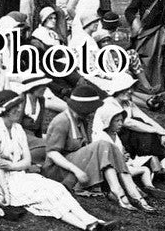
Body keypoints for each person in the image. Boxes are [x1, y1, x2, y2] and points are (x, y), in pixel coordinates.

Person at [0, 90, 118, 231]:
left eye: (20, 106)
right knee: (47, 197)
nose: (19, 110)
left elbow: (26, 161)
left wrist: (13, 166)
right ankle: (91, 225)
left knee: (56, 189)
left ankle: (92, 223)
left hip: (17, 175)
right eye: (14, 107)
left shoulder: (18, 129)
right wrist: (5, 193)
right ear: (4, 110)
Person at [42, 81, 146, 213]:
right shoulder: (62, 121)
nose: (92, 111)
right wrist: (77, 171)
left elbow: (84, 148)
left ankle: (131, 192)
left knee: (108, 145)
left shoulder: (81, 120)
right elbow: (52, 153)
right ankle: (118, 191)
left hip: (76, 162)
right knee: (103, 144)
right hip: (59, 171)